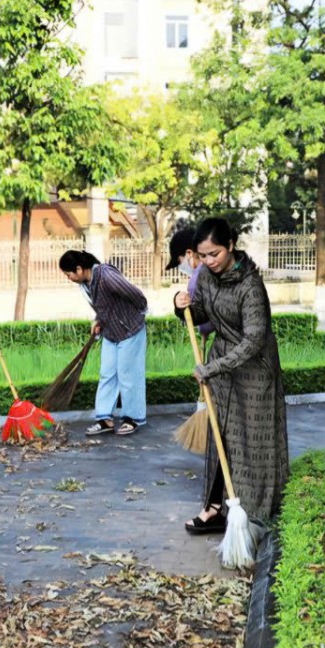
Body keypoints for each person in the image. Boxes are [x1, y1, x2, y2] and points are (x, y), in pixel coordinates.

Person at [173, 218, 290, 534]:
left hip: (254, 371)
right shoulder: (208, 277)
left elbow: (253, 340)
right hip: (222, 369)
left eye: (214, 254)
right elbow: (200, 313)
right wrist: (180, 304)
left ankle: (253, 515)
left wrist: (213, 368)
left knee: (251, 441)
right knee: (220, 436)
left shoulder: (250, 286)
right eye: (202, 255)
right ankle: (217, 509)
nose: (208, 262)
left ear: (231, 246)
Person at [59, 249, 148, 436]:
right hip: (111, 333)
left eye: (68, 274)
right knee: (107, 374)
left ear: (79, 269)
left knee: (128, 375)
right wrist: (98, 319)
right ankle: (105, 419)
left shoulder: (106, 275)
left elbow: (135, 294)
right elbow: (105, 304)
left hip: (130, 330)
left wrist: (139, 312)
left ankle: (133, 419)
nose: (69, 278)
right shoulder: (87, 284)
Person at [167, 227, 214, 338]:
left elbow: (202, 323)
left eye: (179, 261)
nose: (180, 267)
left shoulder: (197, 279)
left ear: (189, 253)